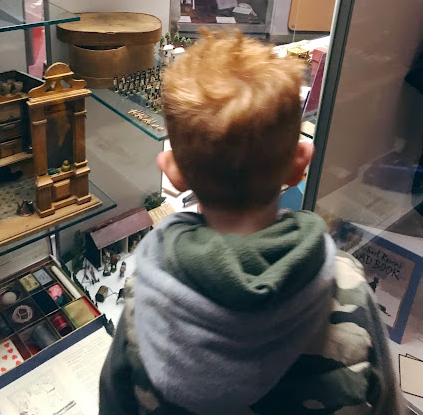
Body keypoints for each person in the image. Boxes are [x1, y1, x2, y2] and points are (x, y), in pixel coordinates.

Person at [99, 30, 404, 415]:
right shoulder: (350, 286)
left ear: (172, 171)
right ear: (300, 163)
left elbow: (114, 403)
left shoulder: (144, 295)